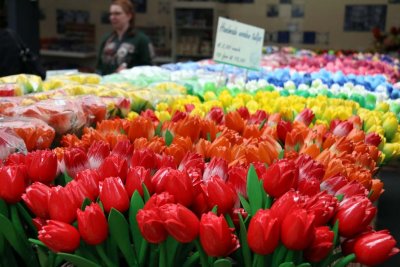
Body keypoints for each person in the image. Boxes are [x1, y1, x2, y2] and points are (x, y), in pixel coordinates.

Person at [96, 0, 153, 75]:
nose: (112, 17)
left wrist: (129, 72)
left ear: (129, 16)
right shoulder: (106, 39)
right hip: (105, 85)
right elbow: (99, 67)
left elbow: (150, 70)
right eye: (111, 14)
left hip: (130, 85)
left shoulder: (141, 40)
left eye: (117, 14)